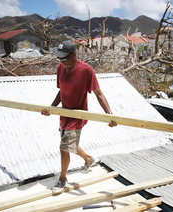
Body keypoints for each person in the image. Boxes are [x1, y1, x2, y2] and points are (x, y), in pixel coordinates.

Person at [41, 40, 117, 194]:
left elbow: (99, 93)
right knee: (69, 144)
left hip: (78, 115)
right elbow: (61, 91)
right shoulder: (61, 68)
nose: (62, 62)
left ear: (74, 54)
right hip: (64, 114)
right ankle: (88, 159)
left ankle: (62, 179)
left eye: (64, 58)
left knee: (64, 148)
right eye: (59, 59)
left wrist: (109, 115)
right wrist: (52, 108)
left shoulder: (86, 70)